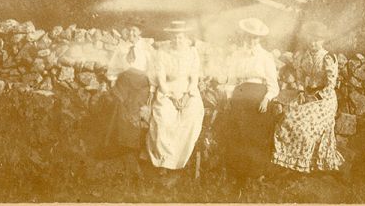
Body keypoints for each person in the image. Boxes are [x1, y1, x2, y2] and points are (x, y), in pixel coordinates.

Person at [272, 20, 344, 173]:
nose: (313, 43)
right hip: (306, 94)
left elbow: (331, 84)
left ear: (323, 40)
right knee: (288, 118)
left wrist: (317, 96)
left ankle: (308, 162)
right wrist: (302, 91)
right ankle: (288, 161)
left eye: (317, 39)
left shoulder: (328, 58)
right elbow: (299, 77)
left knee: (307, 126)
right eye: (311, 39)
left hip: (324, 99)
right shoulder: (302, 56)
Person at [217, 17, 280, 178]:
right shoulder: (238, 55)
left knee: (255, 134)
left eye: (254, 37)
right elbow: (232, 81)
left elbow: (273, 84)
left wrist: (266, 99)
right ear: (244, 37)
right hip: (239, 95)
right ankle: (237, 170)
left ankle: (255, 171)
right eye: (248, 36)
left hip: (258, 96)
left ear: (259, 39)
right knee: (237, 131)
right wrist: (230, 97)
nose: (251, 40)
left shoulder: (266, 57)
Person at [146, 20, 204, 171]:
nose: (177, 40)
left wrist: (187, 95)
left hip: (187, 90)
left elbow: (194, 77)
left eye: (180, 37)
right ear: (170, 37)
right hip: (168, 91)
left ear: (185, 38)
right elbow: (160, 77)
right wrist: (170, 96)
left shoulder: (192, 53)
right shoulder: (162, 53)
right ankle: (164, 160)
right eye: (174, 37)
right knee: (163, 119)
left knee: (190, 117)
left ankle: (180, 160)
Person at [103, 25, 154, 152]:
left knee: (133, 107)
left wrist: (152, 87)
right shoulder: (122, 47)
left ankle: (130, 145)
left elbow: (153, 68)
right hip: (124, 81)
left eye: (134, 31)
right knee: (117, 103)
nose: (131, 33)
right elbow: (113, 65)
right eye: (129, 30)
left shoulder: (146, 47)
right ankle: (114, 142)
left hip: (141, 84)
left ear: (140, 32)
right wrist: (113, 81)